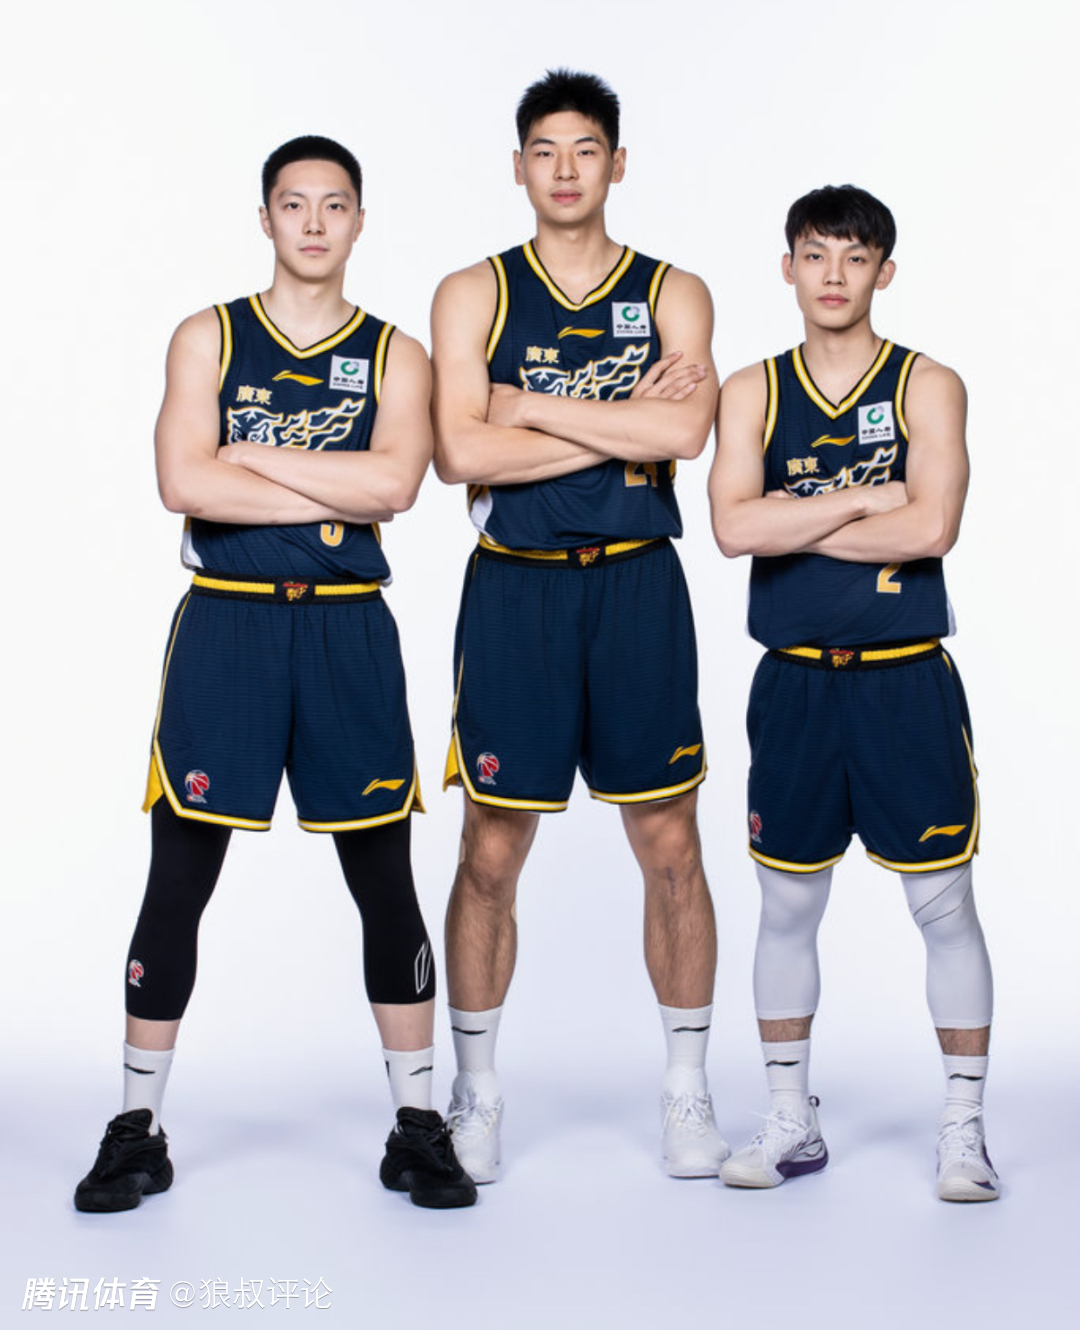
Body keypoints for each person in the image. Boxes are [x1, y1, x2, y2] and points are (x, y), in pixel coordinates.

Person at [74, 136, 476, 1213]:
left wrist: (246, 458)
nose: (313, 223)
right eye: (293, 205)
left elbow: (394, 487)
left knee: (383, 880)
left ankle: (417, 1125)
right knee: (178, 877)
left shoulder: (394, 354)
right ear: (265, 218)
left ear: (359, 221)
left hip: (346, 631)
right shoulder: (208, 335)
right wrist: (328, 485)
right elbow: (180, 481)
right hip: (229, 625)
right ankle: (135, 1127)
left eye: (333, 205)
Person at [430, 69, 726, 1183]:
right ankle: (477, 1092)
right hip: (518, 589)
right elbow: (459, 452)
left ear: (617, 163)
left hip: (638, 586)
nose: (565, 169)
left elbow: (686, 435)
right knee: (490, 847)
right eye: (545, 151)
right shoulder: (474, 292)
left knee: (671, 843)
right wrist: (621, 420)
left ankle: (688, 1090)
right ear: (519, 167)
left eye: (585, 149)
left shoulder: (673, 290)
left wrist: (528, 406)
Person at [709, 184, 998, 1201]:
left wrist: (798, 515)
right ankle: (791, 1120)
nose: (834, 275)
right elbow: (734, 529)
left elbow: (932, 528)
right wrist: (871, 495)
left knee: (943, 902)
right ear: (787, 267)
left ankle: (963, 1128)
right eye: (816, 255)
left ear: (885, 270)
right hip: (794, 682)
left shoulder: (928, 384)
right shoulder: (752, 388)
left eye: (855, 256)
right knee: (787, 901)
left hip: (904, 680)